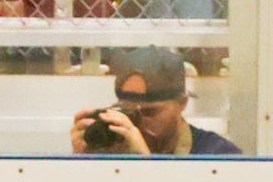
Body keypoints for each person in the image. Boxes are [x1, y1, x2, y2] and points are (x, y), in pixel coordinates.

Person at [70, 46, 241, 156]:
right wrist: (84, 163)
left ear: (182, 104)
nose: (137, 124)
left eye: (149, 112)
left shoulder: (216, 155)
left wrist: (146, 164)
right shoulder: (113, 147)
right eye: (127, 111)